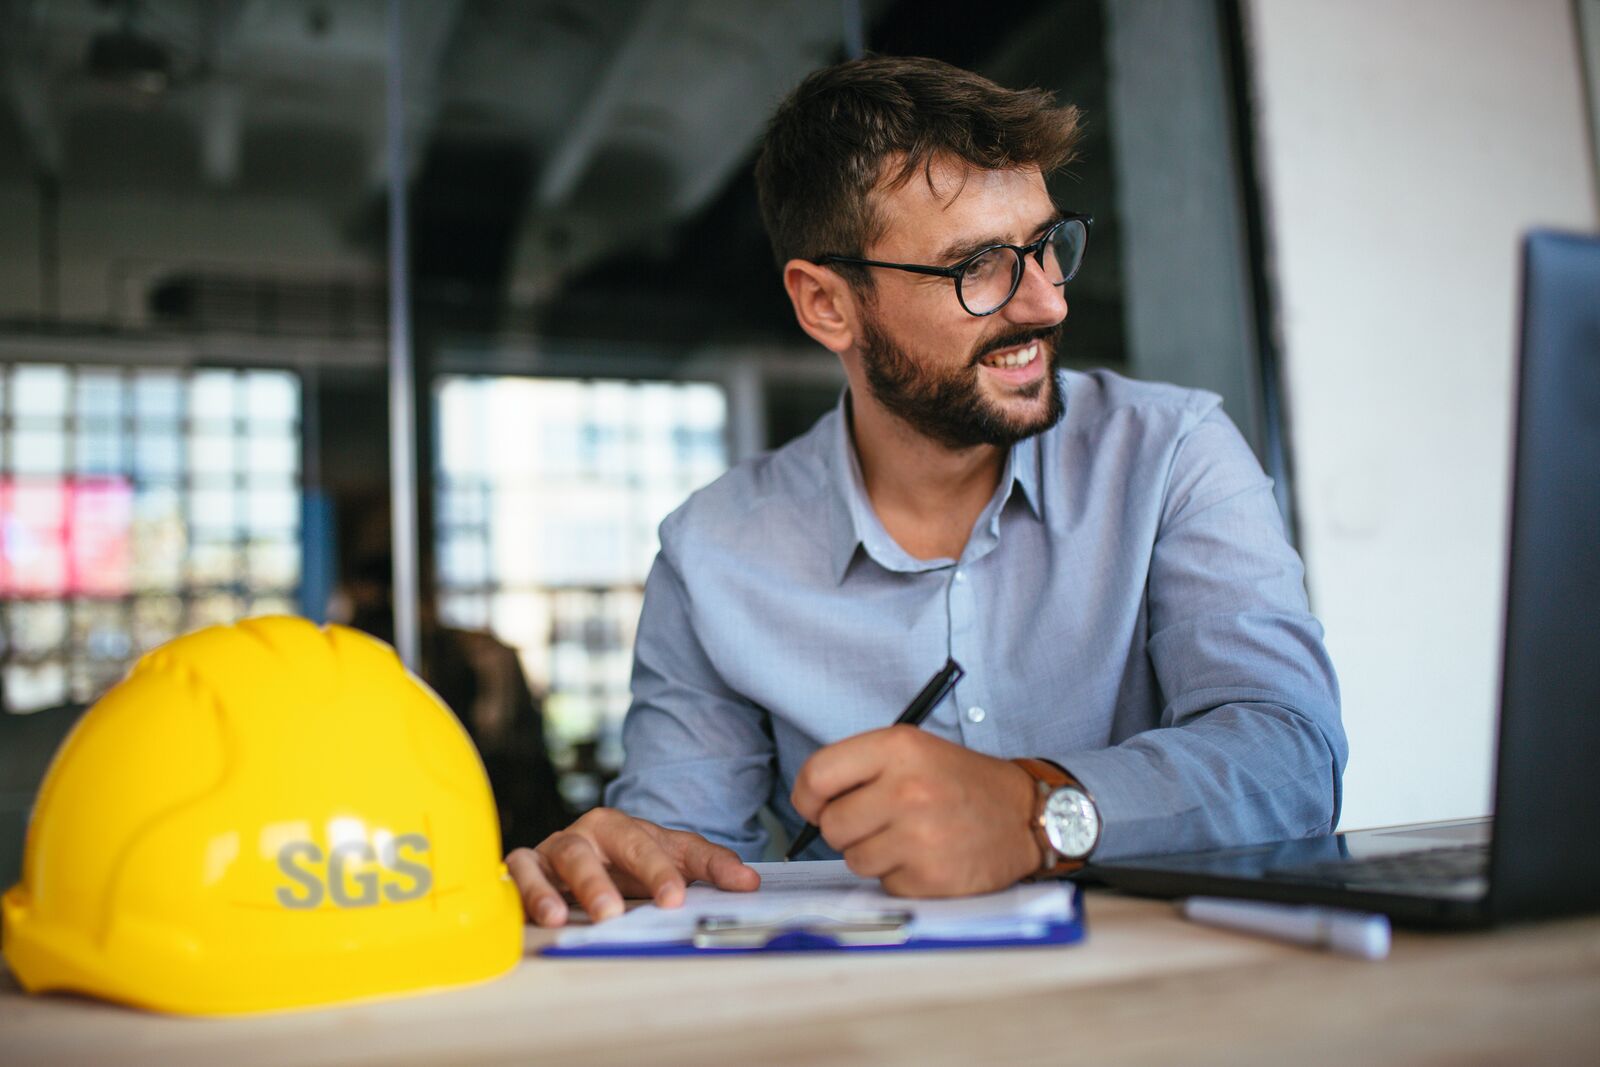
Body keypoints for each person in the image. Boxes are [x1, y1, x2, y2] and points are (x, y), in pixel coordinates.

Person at [507, 55, 1345, 926]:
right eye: (979, 266)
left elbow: (1291, 762)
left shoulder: (1173, 454)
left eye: (1046, 246)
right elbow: (679, 859)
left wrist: (1039, 810)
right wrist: (619, 867)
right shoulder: (713, 551)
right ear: (828, 305)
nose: (1047, 303)